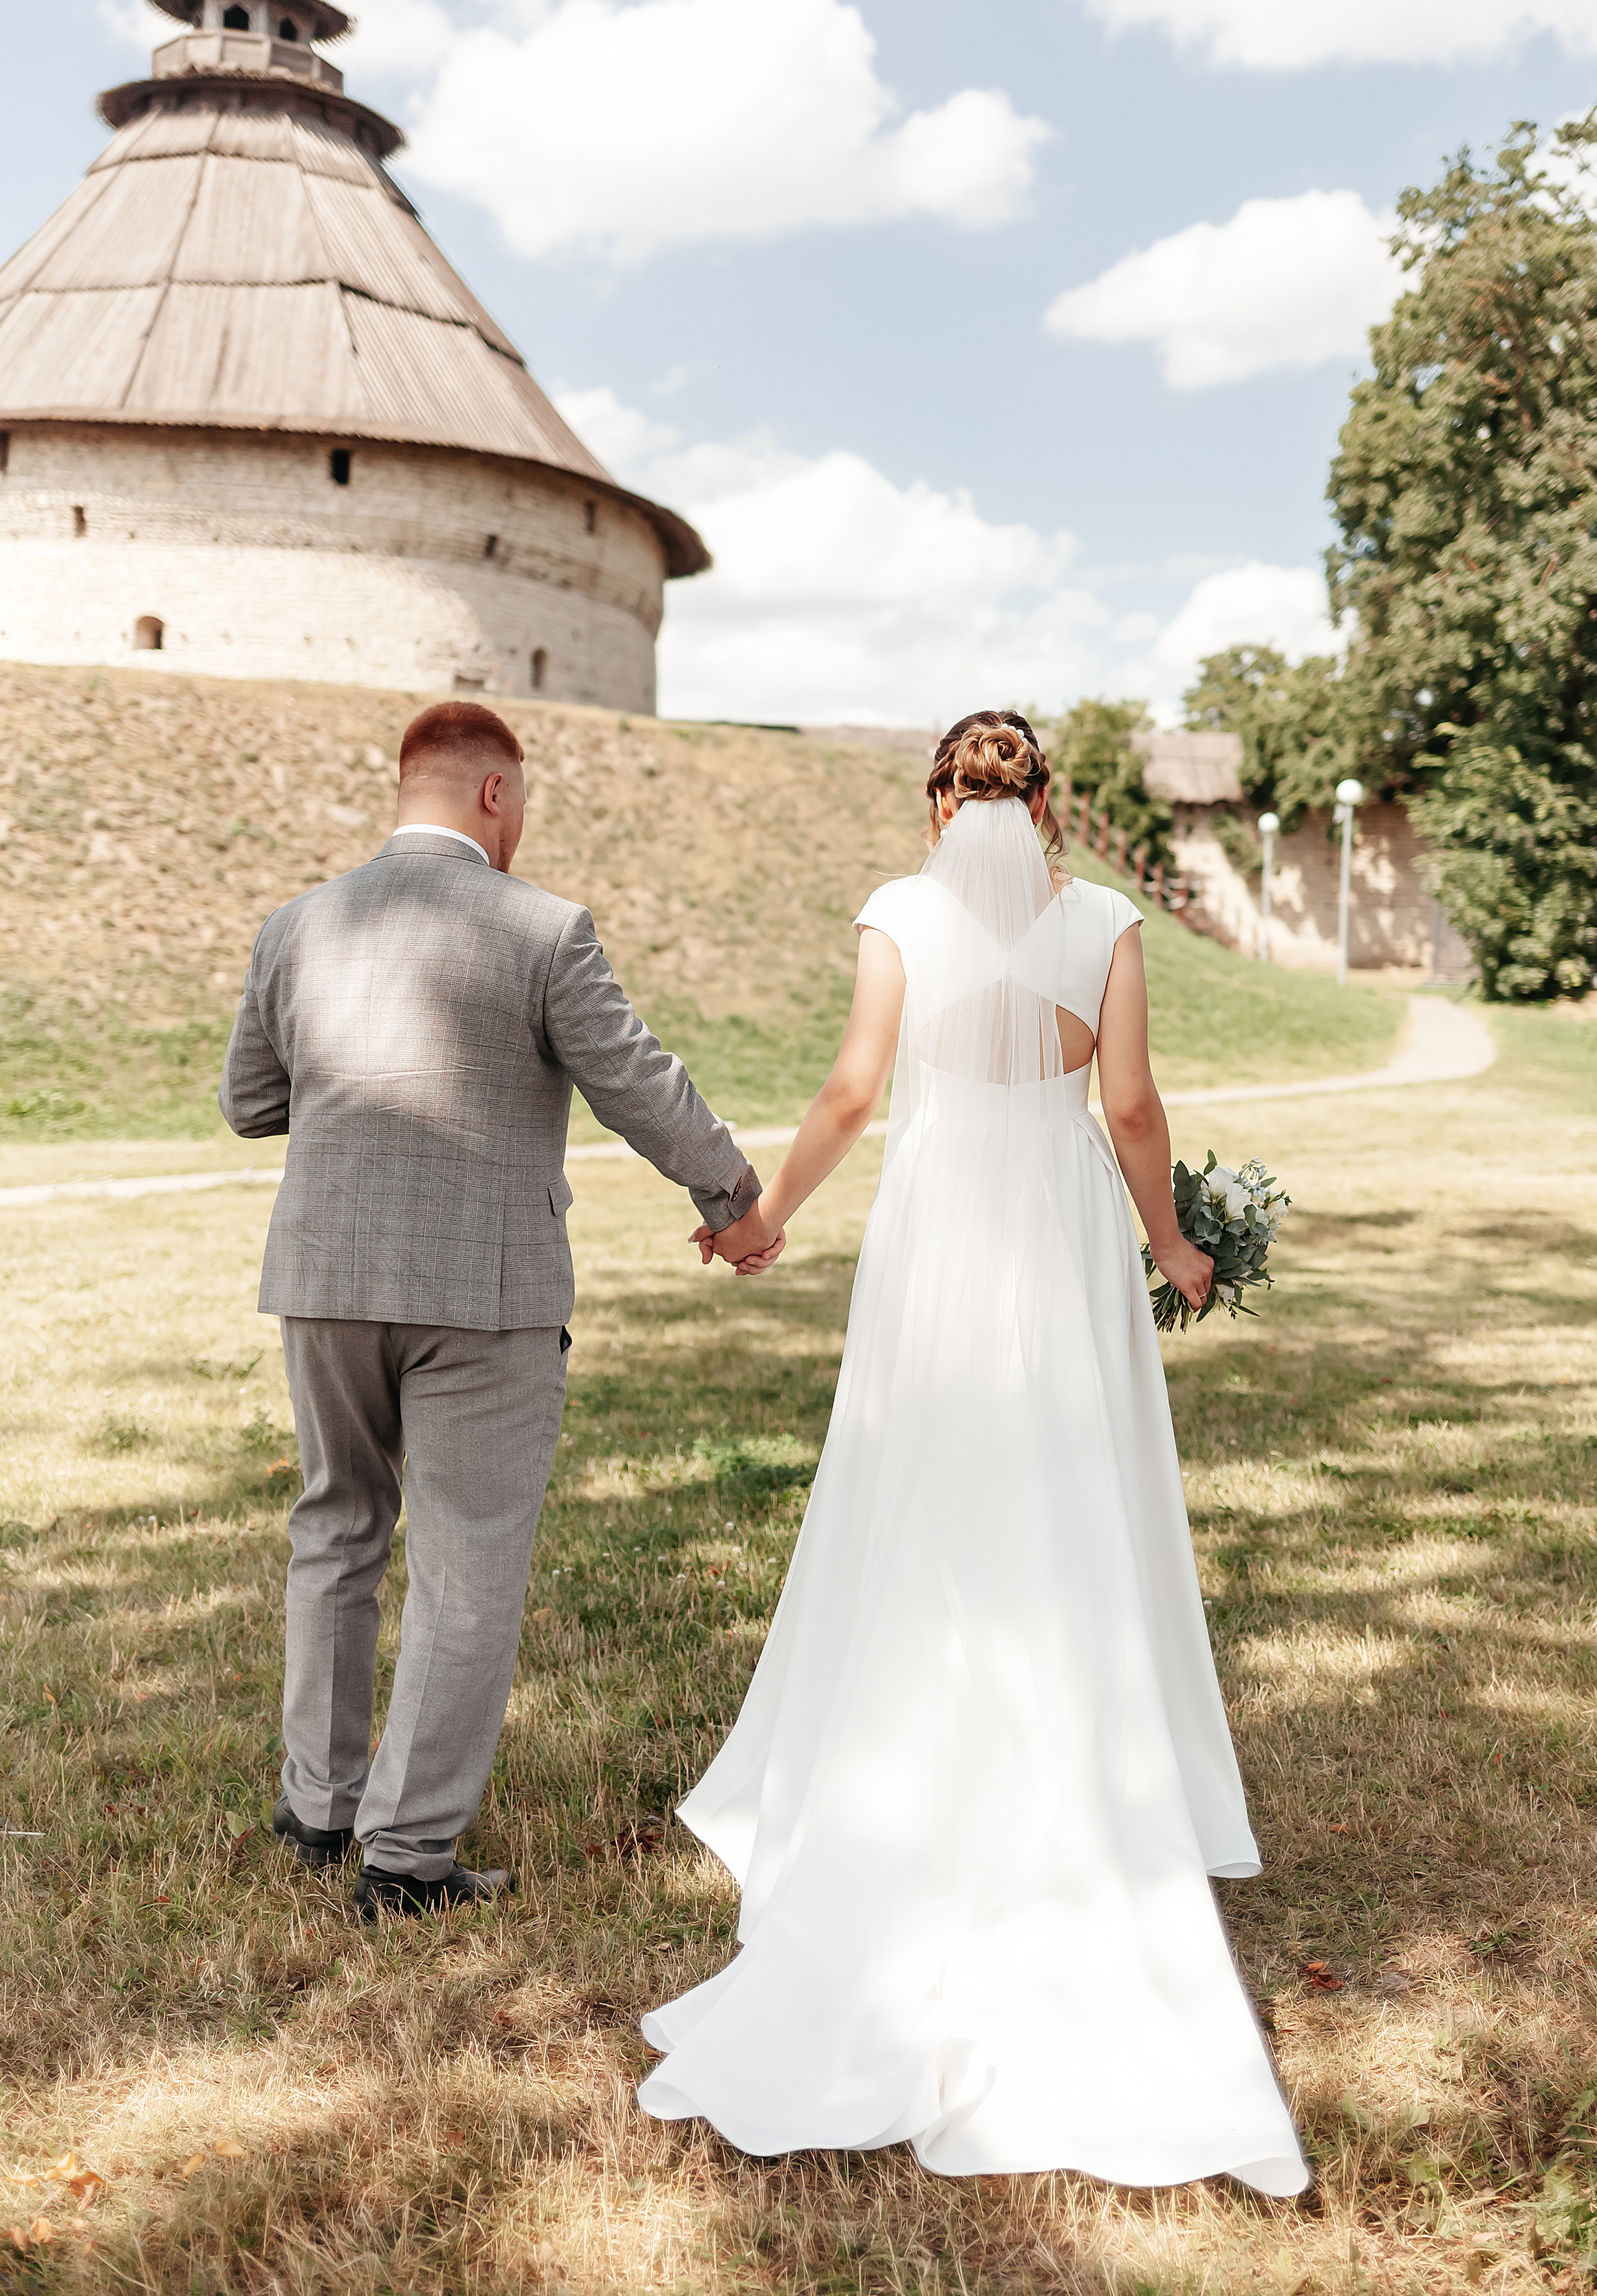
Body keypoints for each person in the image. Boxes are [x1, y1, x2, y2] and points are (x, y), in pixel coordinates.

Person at [640, 712, 1308, 2193]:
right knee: (1067, 1483)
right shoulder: (1105, 922)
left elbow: (849, 1096)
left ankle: (893, 1768)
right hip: (1058, 1218)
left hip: (942, 1223)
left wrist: (766, 1221)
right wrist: (1174, 1245)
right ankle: (1085, 1764)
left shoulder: (898, 914)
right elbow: (1125, 1107)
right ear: (1044, 803)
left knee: (920, 1481)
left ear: (940, 799)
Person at [219, 699, 778, 1920]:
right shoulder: (543, 928)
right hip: (487, 1289)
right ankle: (405, 1856)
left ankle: (319, 1808)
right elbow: (637, 1080)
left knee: (335, 1529)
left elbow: (249, 1103)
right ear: (491, 794)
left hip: (323, 1278)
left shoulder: (296, 925)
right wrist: (732, 1195)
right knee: (466, 1563)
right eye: (520, 802)